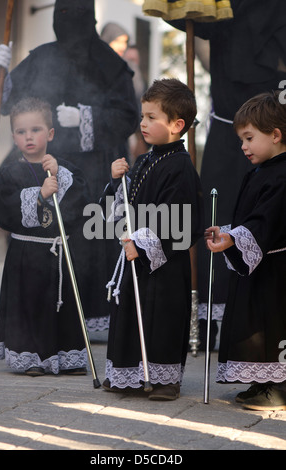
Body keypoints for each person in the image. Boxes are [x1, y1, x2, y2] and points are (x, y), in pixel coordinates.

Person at [0, 0, 139, 332]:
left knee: (90, 239)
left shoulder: (111, 64)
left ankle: (93, 314)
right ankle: (48, 312)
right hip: (49, 166)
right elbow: (7, 103)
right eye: (64, 15)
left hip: (97, 170)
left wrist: (87, 117)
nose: (70, 24)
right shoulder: (42, 57)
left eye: (78, 16)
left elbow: (128, 116)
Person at [167, 0, 286, 349]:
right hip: (225, 134)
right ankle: (208, 322)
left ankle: (264, 324)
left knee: (268, 222)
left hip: (274, 142)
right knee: (216, 221)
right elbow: (189, 19)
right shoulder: (221, 5)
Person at [100, 78, 204, 400]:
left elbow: (182, 222)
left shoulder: (180, 167)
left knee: (161, 316)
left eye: (151, 117)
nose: (142, 123)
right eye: (142, 116)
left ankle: (164, 379)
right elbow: (124, 207)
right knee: (132, 314)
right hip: (136, 257)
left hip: (164, 265)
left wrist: (142, 243)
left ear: (177, 125)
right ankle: (128, 374)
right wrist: (117, 182)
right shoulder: (146, 159)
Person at [0, 97, 90, 377]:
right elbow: (1, 208)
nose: (28, 137)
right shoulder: (9, 172)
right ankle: (30, 356)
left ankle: (66, 357)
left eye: (35, 130)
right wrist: (39, 195)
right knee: (30, 304)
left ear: (50, 133)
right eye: (21, 132)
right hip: (26, 254)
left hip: (58, 252)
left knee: (60, 304)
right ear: (14, 137)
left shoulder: (65, 168)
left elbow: (80, 202)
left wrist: (60, 178)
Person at [205, 91, 286, 411]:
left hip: (278, 269)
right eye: (241, 139)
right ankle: (264, 379)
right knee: (258, 325)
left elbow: (268, 220)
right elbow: (251, 219)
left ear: (276, 135)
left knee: (274, 325)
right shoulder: (260, 171)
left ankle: (280, 386)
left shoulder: (282, 174)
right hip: (261, 266)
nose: (243, 146)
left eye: (250, 137)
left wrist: (235, 238)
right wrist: (228, 234)